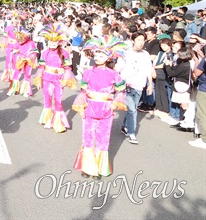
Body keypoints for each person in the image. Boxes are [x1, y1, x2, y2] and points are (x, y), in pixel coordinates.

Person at [72, 36, 128, 180]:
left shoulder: (114, 74)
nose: (97, 57)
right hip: (89, 108)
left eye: (101, 55)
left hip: (106, 110)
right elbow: (83, 91)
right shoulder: (88, 72)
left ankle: (99, 168)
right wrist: (81, 106)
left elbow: (121, 91)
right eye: (96, 54)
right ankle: (87, 167)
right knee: (88, 138)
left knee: (103, 139)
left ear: (108, 58)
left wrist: (113, 103)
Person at [34, 24, 75, 133]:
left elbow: (68, 67)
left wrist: (65, 80)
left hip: (59, 80)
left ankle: (58, 123)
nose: (52, 44)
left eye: (54, 42)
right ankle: (47, 119)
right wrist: (38, 80)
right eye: (50, 42)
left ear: (59, 42)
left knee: (58, 100)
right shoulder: (44, 52)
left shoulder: (64, 53)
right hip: (47, 79)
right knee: (47, 99)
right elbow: (41, 67)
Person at [120, 32, 153, 145]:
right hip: (127, 85)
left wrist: (150, 84)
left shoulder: (146, 54)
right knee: (132, 110)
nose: (141, 42)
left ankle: (124, 126)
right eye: (139, 40)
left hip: (140, 84)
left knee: (132, 108)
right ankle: (131, 133)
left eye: (143, 40)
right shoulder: (126, 53)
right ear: (133, 40)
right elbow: (120, 67)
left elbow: (149, 69)